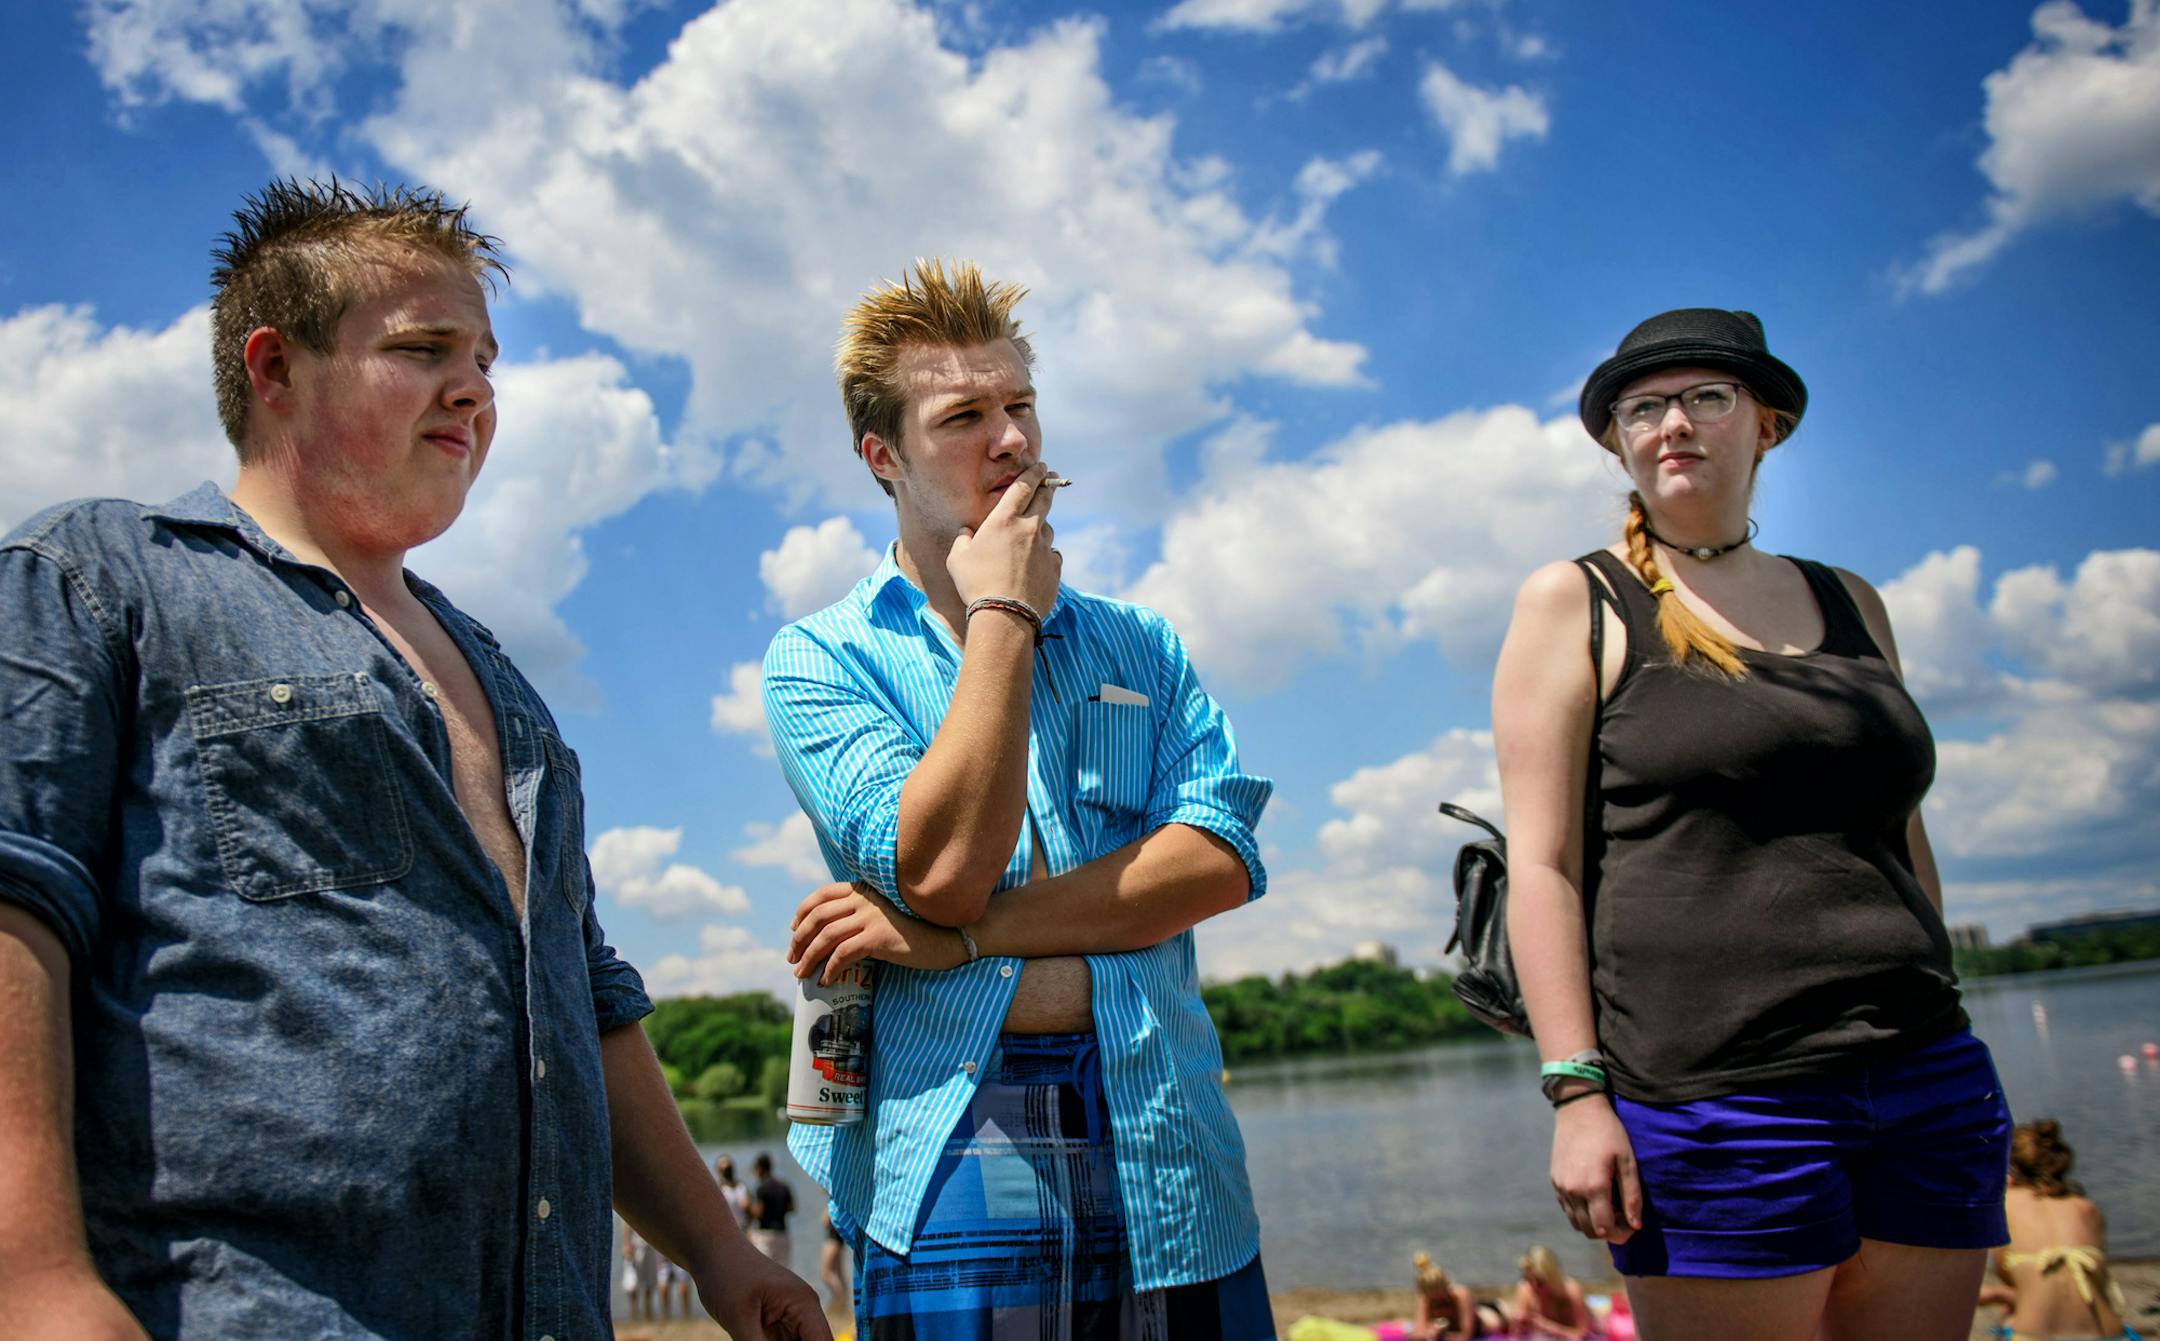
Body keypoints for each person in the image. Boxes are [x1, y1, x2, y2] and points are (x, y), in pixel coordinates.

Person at [0, 178, 827, 1341]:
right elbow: (17, 899)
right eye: (425, 346)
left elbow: (584, 996)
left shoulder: (508, 681)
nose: (476, 389)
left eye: (487, 360)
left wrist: (721, 1253)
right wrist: (30, 1279)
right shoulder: (104, 578)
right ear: (276, 367)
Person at [766, 260, 1276, 1339]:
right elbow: (940, 870)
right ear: (883, 457)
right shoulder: (820, 659)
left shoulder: (1140, 641)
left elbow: (1215, 864)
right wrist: (1001, 607)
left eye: (1020, 406)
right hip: (953, 1127)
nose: (1011, 441)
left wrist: (959, 941)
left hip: (1168, 1130)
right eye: (964, 417)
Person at [1492, 307, 2012, 1341]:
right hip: (1712, 1098)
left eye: (1706, 397)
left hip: (1924, 1075)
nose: (1673, 424)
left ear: (1766, 425)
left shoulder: (1851, 600)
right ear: (1619, 443)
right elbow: (1542, 865)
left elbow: (1902, 836)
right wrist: (1576, 1096)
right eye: (1644, 408)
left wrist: (1939, 985)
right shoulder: (1578, 602)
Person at [1985, 1120, 2138, 1341]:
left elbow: (2007, 1274)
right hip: (2109, 1335)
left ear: (2009, 1171)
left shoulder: (2005, 1205)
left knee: (2008, 1323)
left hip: (2035, 1335)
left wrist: (2003, 1294)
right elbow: (2099, 1280)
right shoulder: (2087, 1208)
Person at [1408, 1250, 1505, 1338]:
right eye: (1432, 1293)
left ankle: (1500, 1306)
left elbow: (1466, 1334)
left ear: (1445, 1285)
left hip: (1487, 1318)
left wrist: (1445, 1336)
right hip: (1464, 1319)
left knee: (1497, 1322)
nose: (1436, 1296)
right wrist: (1431, 1332)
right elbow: (1418, 1332)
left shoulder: (1460, 1294)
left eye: (1438, 1291)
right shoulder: (1426, 1298)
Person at [1509, 1245, 1594, 1340]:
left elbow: (1582, 1334)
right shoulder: (1525, 1289)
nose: (1534, 1286)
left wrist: (1548, 1327)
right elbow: (1515, 1335)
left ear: (1552, 1277)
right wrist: (1518, 1325)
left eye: (1539, 1281)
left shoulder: (1570, 1290)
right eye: (1528, 1279)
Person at [750, 1152, 797, 1266]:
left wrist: (748, 1208)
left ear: (760, 1169)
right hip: (782, 1233)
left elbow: (759, 1213)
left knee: (765, 1270)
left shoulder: (761, 1188)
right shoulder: (784, 1186)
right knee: (784, 1271)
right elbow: (792, 1208)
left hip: (766, 1234)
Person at [819, 1205, 852, 1308]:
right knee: (838, 1272)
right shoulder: (842, 1201)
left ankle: (840, 1299)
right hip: (839, 1239)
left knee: (826, 1273)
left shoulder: (833, 1202)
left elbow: (825, 1221)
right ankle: (844, 1300)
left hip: (833, 1240)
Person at [717, 1154, 754, 1228]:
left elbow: (750, 1211)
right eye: (724, 1169)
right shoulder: (718, 1188)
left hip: (744, 1228)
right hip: (728, 1229)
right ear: (719, 1171)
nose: (727, 1171)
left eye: (729, 1168)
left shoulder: (742, 1186)